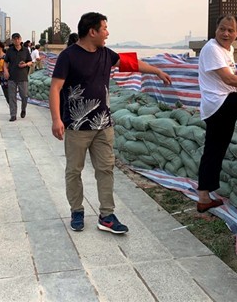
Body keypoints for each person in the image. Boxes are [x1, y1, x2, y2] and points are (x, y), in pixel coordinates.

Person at [49, 12, 172, 234]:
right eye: (104, 28)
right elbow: (55, 88)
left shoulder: (106, 54)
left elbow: (132, 63)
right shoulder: (68, 56)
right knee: (74, 171)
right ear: (92, 31)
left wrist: (157, 71)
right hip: (76, 127)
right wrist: (56, 119)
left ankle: (106, 215)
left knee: (106, 169)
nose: (107, 33)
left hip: (103, 125)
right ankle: (77, 211)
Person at [196, 14, 237, 213]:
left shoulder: (228, 49)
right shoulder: (212, 49)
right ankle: (203, 196)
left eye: (230, 30)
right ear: (215, 29)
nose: (226, 33)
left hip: (222, 103)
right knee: (214, 150)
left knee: (215, 150)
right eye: (222, 29)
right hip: (219, 104)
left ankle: (204, 196)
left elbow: (232, 77)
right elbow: (229, 79)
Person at [4, 33, 32, 121]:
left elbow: (30, 62)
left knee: (24, 95)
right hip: (12, 76)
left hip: (23, 76)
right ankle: (13, 114)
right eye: (14, 39)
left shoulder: (25, 50)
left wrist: (25, 64)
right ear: (12, 40)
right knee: (12, 96)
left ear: (20, 39)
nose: (16, 40)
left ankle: (23, 109)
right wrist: (5, 71)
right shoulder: (9, 51)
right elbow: (5, 62)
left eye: (18, 39)